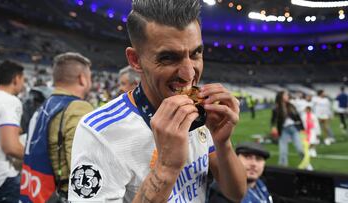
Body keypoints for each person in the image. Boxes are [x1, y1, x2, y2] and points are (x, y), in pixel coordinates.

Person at [68, 0, 247, 202]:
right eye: (169, 58)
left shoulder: (198, 112)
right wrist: (165, 168)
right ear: (135, 60)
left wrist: (223, 143)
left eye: (196, 53)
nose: (189, 74)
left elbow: (236, 193)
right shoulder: (99, 133)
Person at [20, 52, 94, 202]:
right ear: (82, 79)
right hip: (60, 195)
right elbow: (85, 170)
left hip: (33, 192)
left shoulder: (44, 106)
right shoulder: (77, 108)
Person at [0, 60, 25, 203]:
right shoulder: (10, 101)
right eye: (23, 80)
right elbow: (10, 147)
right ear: (16, 79)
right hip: (0, 179)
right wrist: (34, 156)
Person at [208, 142, 272, 203]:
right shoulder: (222, 193)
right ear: (235, 159)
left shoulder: (261, 184)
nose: (253, 164)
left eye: (258, 159)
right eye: (247, 157)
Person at [271, 91, 304, 166]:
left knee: (300, 150)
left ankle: (306, 164)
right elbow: (273, 120)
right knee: (283, 152)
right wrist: (273, 127)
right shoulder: (276, 108)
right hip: (283, 130)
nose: (287, 96)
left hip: (294, 129)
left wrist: (302, 128)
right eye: (285, 95)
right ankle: (283, 167)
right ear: (281, 96)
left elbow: (298, 117)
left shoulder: (291, 105)